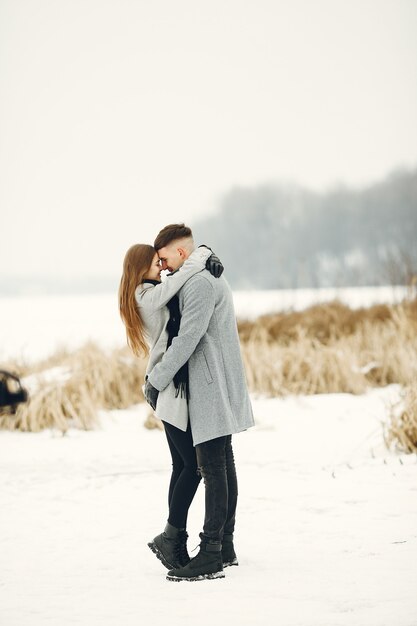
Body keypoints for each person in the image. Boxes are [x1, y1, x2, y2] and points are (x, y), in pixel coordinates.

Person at [144, 224, 255, 582]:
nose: (163, 268)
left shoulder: (199, 283)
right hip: (214, 380)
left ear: (180, 253)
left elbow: (188, 338)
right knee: (221, 463)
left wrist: (155, 381)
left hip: (209, 384)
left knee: (213, 466)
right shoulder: (205, 276)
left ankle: (211, 553)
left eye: (164, 259)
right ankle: (224, 546)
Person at [119, 242, 223, 572]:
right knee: (191, 467)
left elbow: (179, 284)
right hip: (169, 388)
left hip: (170, 386)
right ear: (139, 268)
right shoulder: (144, 295)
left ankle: (172, 541)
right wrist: (203, 254)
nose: (162, 268)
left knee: (182, 466)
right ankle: (170, 537)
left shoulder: (152, 290)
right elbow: (181, 280)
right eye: (155, 263)